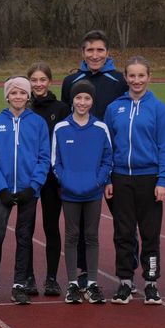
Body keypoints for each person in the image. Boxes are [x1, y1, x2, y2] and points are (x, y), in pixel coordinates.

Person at [60, 30, 127, 288]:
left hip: (110, 165)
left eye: (100, 50)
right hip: (80, 167)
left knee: (122, 224)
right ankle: (82, 275)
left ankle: (126, 276)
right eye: (90, 50)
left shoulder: (118, 81)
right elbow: (68, 120)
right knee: (78, 229)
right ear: (82, 53)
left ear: (108, 53)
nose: (95, 55)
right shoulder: (71, 81)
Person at [104, 57, 165, 306]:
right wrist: (109, 178)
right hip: (121, 178)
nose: (136, 81)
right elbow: (108, 146)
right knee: (123, 233)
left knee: (150, 233)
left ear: (149, 77)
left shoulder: (158, 108)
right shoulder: (114, 108)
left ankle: (151, 282)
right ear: (125, 78)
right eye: (132, 76)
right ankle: (125, 281)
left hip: (149, 178)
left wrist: (163, 180)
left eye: (141, 76)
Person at [0, 76, 50, 305]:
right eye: (14, 93)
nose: (18, 97)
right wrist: (1, 188)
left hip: (29, 190)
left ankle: (19, 285)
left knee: (24, 236)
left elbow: (44, 157)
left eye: (22, 93)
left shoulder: (38, 123)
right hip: (3, 190)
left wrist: (34, 186)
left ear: (29, 96)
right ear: (7, 96)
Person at [51, 80, 112, 304]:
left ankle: (93, 283)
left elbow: (108, 159)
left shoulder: (100, 128)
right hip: (70, 193)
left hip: (93, 192)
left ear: (92, 101)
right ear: (72, 100)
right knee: (72, 236)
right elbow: (55, 161)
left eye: (87, 98)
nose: (82, 102)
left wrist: (98, 181)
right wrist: (66, 181)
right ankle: (73, 285)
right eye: (78, 98)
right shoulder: (61, 128)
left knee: (92, 236)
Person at [26, 62, 70, 297]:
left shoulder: (62, 109)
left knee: (51, 228)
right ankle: (29, 277)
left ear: (49, 81)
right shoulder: (22, 107)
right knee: (27, 229)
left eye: (43, 79)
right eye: (34, 80)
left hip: (53, 179)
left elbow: (65, 142)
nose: (39, 84)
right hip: (29, 178)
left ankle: (51, 278)